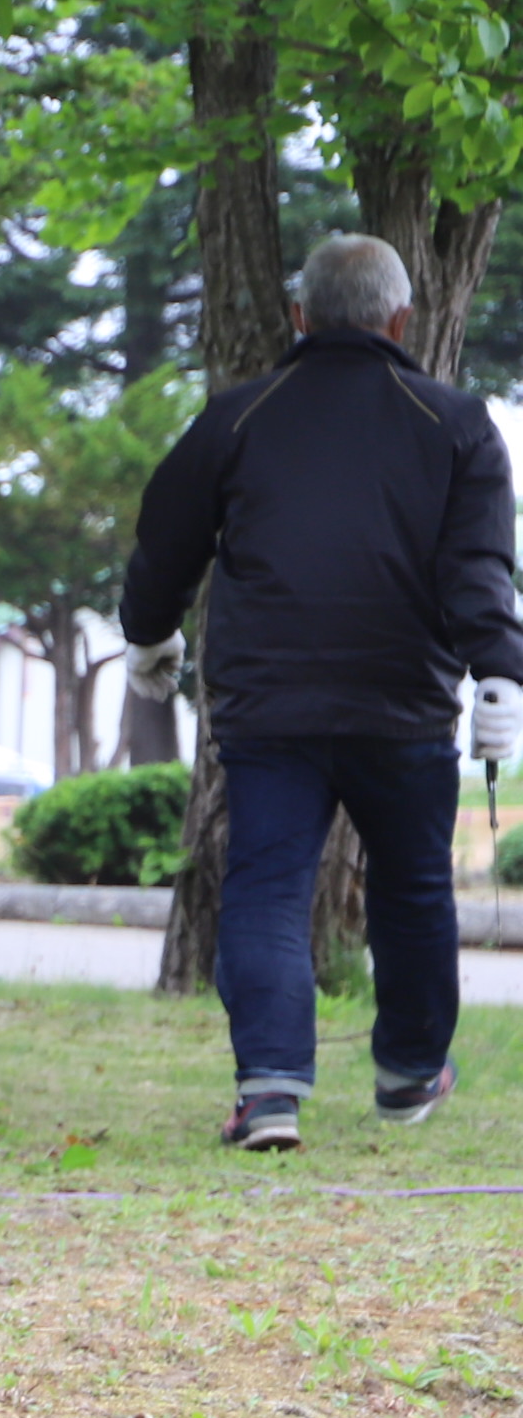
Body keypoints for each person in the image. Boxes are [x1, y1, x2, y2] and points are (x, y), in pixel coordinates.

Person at [119, 233, 523, 1152]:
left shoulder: (239, 414)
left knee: (266, 886)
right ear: (402, 319)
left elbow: (165, 542)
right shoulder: (456, 422)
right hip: (405, 704)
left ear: (300, 317)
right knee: (415, 891)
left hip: (271, 705)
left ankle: (268, 1092)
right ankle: (411, 1072)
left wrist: (151, 633)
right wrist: (501, 670)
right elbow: (478, 571)